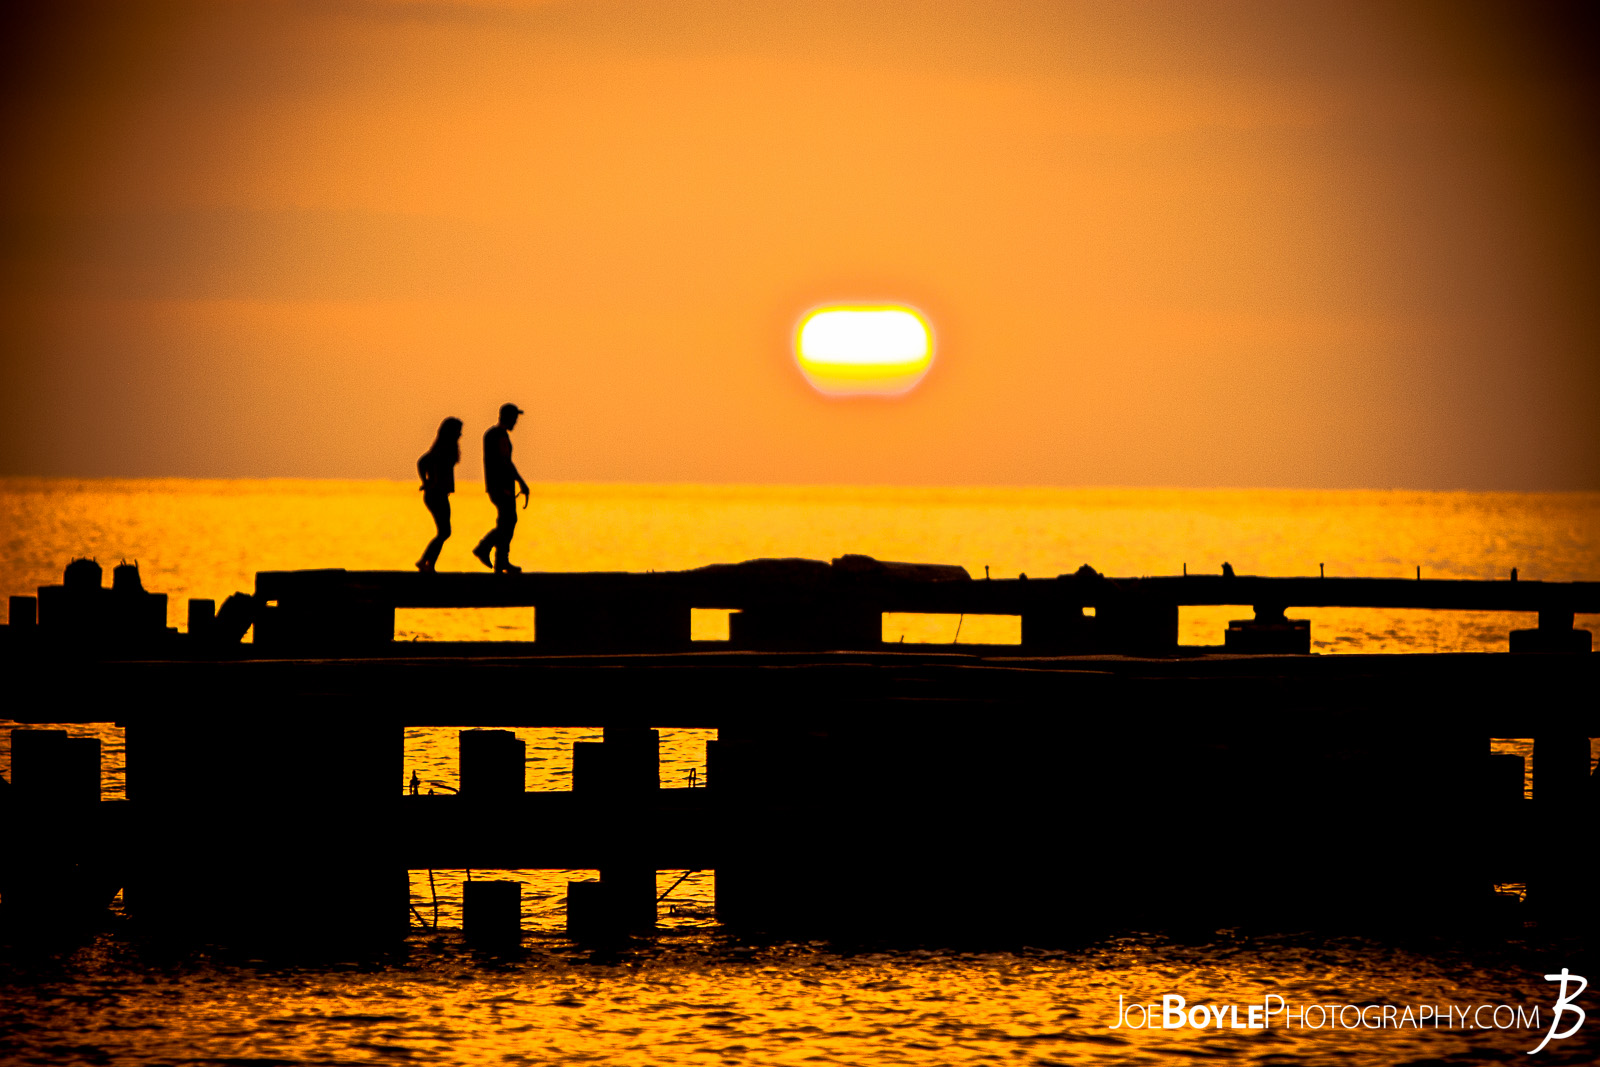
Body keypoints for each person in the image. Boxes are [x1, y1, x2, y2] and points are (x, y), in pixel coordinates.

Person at [473, 402, 530, 573]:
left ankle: (500, 562)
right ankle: (485, 548)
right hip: (501, 486)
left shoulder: (494, 434)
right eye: (514, 419)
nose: (516, 423)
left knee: (506, 521)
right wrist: (521, 482)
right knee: (508, 521)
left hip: (496, 485)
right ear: (508, 417)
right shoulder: (499, 435)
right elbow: (505, 462)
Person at [416, 416, 463, 573]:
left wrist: (428, 481)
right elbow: (422, 462)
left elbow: (423, 462)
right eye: (458, 432)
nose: (460, 435)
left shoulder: (445, 448)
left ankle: (427, 563)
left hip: (440, 494)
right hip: (436, 494)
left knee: (444, 532)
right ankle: (425, 562)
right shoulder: (443, 448)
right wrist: (428, 481)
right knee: (445, 531)